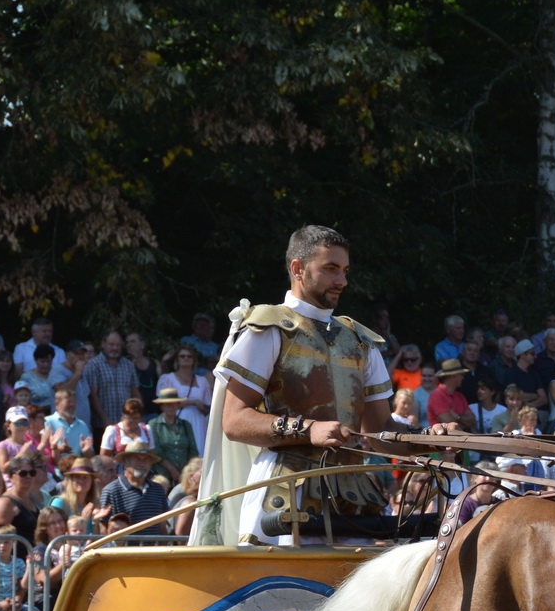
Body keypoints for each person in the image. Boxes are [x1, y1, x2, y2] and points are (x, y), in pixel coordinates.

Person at [207, 225, 396, 546]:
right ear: (298, 269)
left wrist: (432, 440)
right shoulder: (268, 329)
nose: (342, 280)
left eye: (345, 270)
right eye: (330, 268)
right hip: (285, 491)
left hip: (351, 495)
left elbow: (382, 432)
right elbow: (234, 421)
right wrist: (308, 429)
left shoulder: (360, 341)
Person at [98, 440, 169, 534]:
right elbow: (103, 527)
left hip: (154, 543)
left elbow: (162, 526)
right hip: (125, 544)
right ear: (126, 462)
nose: (142, 464)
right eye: (137, 459)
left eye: (146, 460)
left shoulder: (158, 490)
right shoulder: (112, 491)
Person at [83, 329, 141, 443]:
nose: (115, 348)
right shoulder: (93, 365)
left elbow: (135, 392)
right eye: (111, 344)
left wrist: (139, 415)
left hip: (127, 423)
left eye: (118, 345)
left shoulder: (128, 365)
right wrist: (105, 419)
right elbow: (93, 395)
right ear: (103, 344)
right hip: (102, 424)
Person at [160, 346, 213, 452]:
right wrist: (191, 402)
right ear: (177, 360)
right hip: (177, 419)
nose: (186, 358)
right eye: (182, 356)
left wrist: (201, 406)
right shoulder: (168, 378)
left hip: (198, 421)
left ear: (194, 360)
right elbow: (163, 403)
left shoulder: (202, 380)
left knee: (199, 451)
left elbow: (209, 406)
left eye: (189, 356)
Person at [146, 384, 196, 485]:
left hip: (184, 476)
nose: (171, 407)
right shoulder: (153, 424)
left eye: (174, 404)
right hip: (161, 476)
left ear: (178, 405)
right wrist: (172, 470)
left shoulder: (186, 425)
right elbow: (156, 451)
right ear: (161, 406)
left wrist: (186, 472)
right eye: (167, 404)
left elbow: (193, 451)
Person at [426, 359, 474, 429]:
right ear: (453, 376)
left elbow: (472, 420)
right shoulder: (436, 395)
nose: (463, 377)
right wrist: (464, 422)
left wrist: (457, 417)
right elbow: (449, 423)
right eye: (461, 374)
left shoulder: (459, 396)